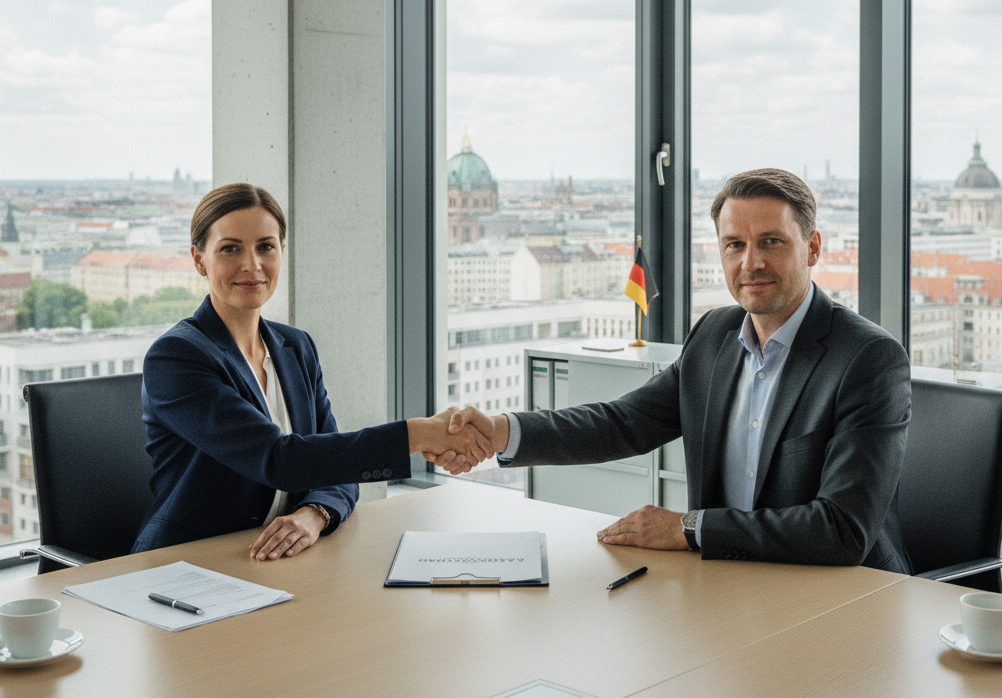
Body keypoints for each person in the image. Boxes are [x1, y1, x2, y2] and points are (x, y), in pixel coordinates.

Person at [433, 168, 912, 572]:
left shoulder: (867, 359)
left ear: (812, 248)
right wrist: (499, 432)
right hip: (728, 584)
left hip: (842, 598)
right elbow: (622, 423)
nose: (752, 262)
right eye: (734, 245)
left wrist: (689, 528)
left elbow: (843, 530)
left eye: (771, 242)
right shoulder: (714, 335)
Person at [134, 183, 493, 560]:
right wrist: (420, 433)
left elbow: (335, 465)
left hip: (277, 562)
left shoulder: (296, 347)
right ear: (198, 259)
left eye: (265, 247)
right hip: (188, 565)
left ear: (282, 252)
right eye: (230, 248)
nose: (252, 264)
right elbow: (279, 459)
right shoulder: (176, 357)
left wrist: (314, 514)